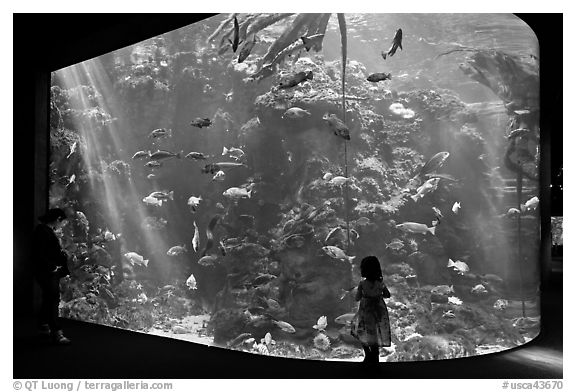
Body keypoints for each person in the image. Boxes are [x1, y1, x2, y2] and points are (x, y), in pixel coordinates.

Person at [32, 208, 71, 345]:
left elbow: (47, 251)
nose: (63, 225)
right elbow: (39, 253)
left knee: (48, 298)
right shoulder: (42, 231)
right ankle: (57, 333)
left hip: (49, 272)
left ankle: (43, 326)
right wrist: (52, 267)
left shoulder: (45, 230)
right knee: (53, 300)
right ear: (58, 218)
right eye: (63, 222)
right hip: (48, 273)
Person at [351, 255, 391, 363]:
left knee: (361, 332)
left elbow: (357, 298)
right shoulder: (380, 283)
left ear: (363, 270)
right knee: (375, 333)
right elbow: (388, 295)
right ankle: (374, 358)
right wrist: (378, 295)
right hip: (378, 312)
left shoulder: (362, 284)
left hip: (366, 312)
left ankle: (368, 355)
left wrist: (365, 295)